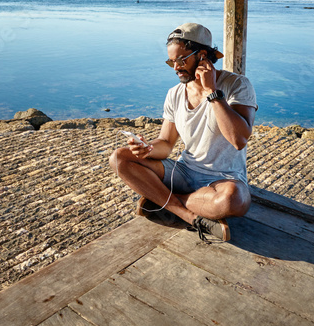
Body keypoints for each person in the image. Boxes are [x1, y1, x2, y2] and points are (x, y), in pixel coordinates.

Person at [109, 23, 257, 242]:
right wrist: (148, 148)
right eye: (171, 62)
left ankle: (162, 200)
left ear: (203, 56)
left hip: (223, 179)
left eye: (182, 60)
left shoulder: (236, 85)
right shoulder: (175, 94)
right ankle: (186, 214)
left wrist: (211, 92)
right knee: (119, 158)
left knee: (233, 201)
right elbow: (166, 143)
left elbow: (238, 139)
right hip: (184, 172)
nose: (176, 67)